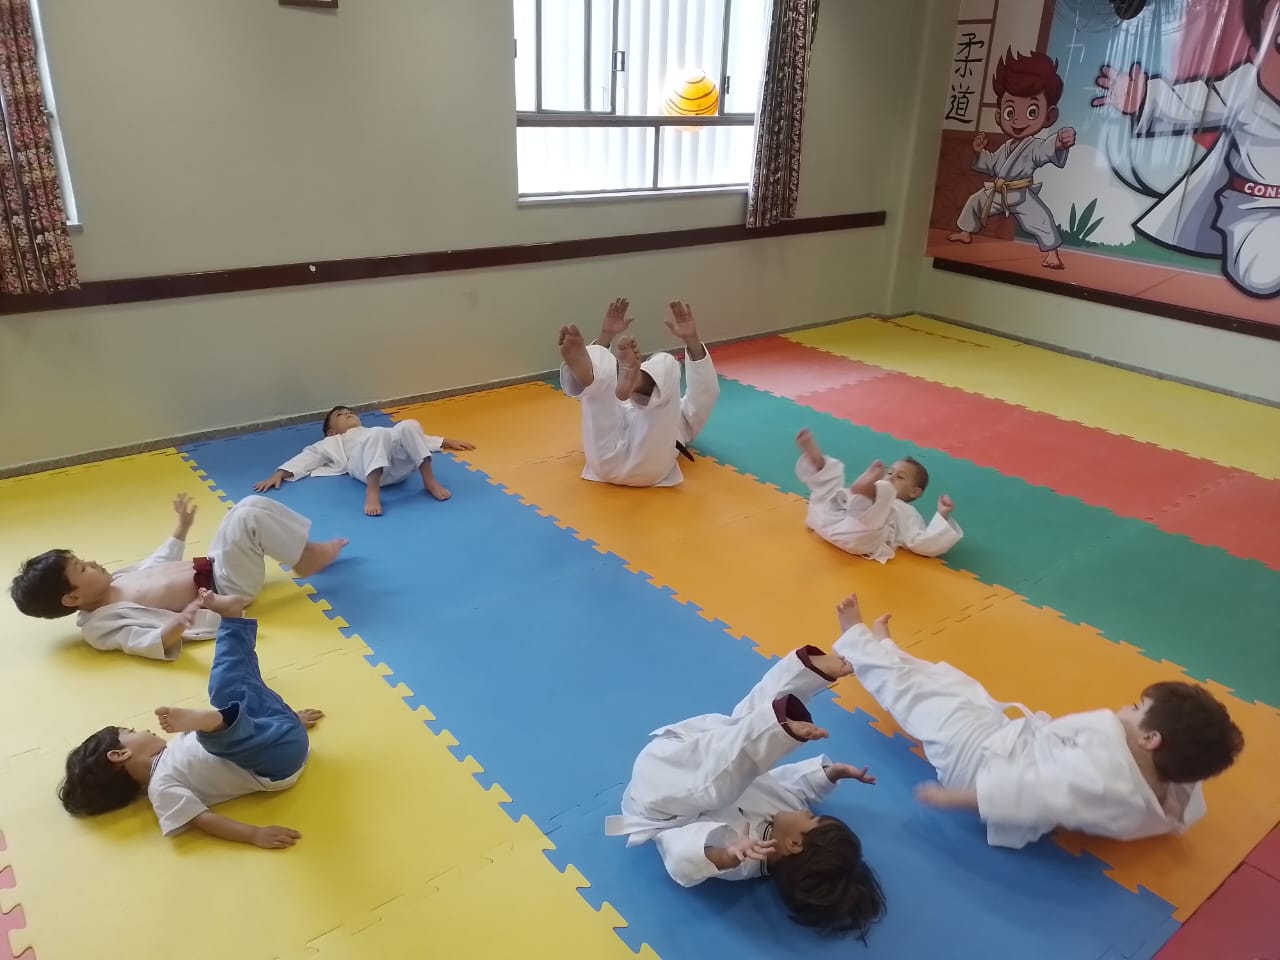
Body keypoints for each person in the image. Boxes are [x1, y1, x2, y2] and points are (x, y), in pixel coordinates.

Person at [833, 593, 1245, 849]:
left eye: (1137, 709)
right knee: (955, 685)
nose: (1127, 708)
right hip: (1009, 744)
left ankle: (857, 644)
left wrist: (955, 798)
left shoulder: (1100, 778)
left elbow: (1033, 793)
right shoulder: (1168, 784)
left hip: (981, 765)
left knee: (916, 698)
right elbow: (1189, 784)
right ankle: (891, 652)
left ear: (1150, 738)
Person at [605, 645, 886, 939]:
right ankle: (806, 674)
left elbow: (679, 861)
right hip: (701, 743)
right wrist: (830, 774)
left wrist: (725, 855)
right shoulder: (790, 810)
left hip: (659, 795)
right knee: (752, 717)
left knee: (719, 787)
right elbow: (794, 786)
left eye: (813, 820)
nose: (808, 813)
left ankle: (778, 729)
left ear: (793, 844)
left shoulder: (745, 860)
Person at [57, 610, 321, 849]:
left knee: (226, 687)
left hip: (276, 734)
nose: (143, 730)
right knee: (214, 733)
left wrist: (290, 721)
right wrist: (254, 834)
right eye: (131, 731)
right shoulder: (161, 787)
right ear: (119, 754)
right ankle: (212, 722)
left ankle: (232, 622)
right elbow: (203, 820)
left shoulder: (175, 746)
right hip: (277, 763)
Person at [10, 493, 346, 660]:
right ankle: (304, 557)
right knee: (247, 517)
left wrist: (181, 529)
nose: (93, 563)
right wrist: (182, 621)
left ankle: (303, 550)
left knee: (247, 505)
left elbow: (157, 566)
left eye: (84, 560)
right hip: (223, 588)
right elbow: (145, 642)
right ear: (73, 598)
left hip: (213, 565)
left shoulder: (116, 581)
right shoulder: (101, 626)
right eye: (82, 568)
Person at [557, 299, 720, 488]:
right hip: (645, 467)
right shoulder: (672, 411)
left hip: (606, 462)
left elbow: (704, 394)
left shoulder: (680, 411)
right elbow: (707, 394)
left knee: (663, 363)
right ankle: (594, 373)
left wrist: (692, 340)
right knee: (656, 363)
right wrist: (606, 334)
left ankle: (635, 381)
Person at [948, 49, 1076, 270]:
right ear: (999, 115)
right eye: (1010, 112)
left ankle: (1052, 254)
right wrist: (979, 152)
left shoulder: (1033, 146)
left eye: (1032, 111)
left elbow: (1044, 150)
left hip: (1020, 194)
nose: (1017, 120)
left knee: (1041, 219)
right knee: (975, 201)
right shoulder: (1007, 147)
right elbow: (993, 164)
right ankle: (965, 232)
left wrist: (1059, 142)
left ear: (1049, 116)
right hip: (999, 192)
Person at [254, 409, 475, 516]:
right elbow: (309, 456)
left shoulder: (375, 430)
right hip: (365, 470)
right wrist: (280, 473)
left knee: (408, 425)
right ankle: (372, 491)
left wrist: (445, 441)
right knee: (379, 433)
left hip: (396, 467)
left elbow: (413, 439)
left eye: (350, 412)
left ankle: (429, 480)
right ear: (331, 431)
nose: (348, 414)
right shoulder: (334, 441)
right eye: (340, 415)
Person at [796, 429, 962, 562]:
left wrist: (942, 515)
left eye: (900, 477)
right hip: (830, 519)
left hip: (857, 535)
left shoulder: (907, 512)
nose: (891, 476)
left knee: (880, 500)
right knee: (830, 494)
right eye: (889, 472)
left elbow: (924, 542)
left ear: (914, 492)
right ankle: (819, 463)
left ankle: (862, 492)